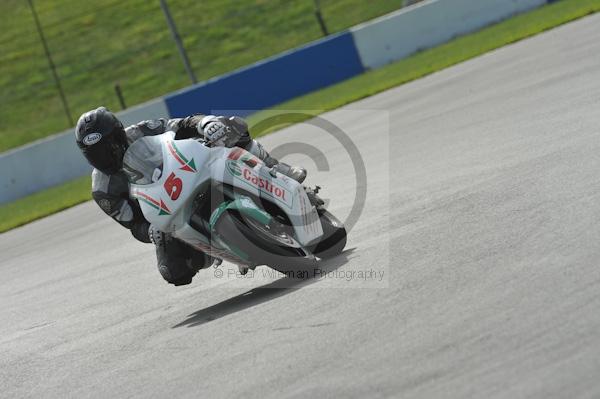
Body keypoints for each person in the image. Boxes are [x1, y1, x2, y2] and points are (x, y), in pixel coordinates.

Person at [75, 107, 306, 286]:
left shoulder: (141, 131)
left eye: (108, 148)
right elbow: (133, 225)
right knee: (174, 272)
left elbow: (183, 124)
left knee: (230, 126)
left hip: (186, 170)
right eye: (94, 154)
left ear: (118, 135)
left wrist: (206, 124)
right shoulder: (103, 190)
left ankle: (276, 168)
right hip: (166, 211)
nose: (103, 157)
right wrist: (151, 232)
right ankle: (213, 249)